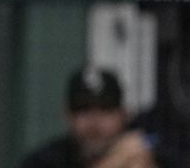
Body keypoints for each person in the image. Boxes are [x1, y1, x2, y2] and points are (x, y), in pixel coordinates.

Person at [19, 67, 168, 168]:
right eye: (83, 109)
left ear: (124, 114)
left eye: (105, 109)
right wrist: (115, 162)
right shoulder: (45, 161)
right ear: (67, 114)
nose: (94, 122)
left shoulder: (147, 154)